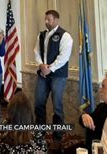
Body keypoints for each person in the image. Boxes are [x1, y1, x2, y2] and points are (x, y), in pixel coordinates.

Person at [34, 10, 73, 148]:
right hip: (43, 75)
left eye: (48, 19)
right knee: (38, 103)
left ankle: (57, 138)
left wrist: (50, 68)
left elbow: (64, 56)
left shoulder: (65, 36)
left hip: (58, 75)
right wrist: (41, 65)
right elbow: (37, 52)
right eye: (45, 19)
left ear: (56, 20)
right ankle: (40, 133)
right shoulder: (41, 34)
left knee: (57, 106)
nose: (46, 22)